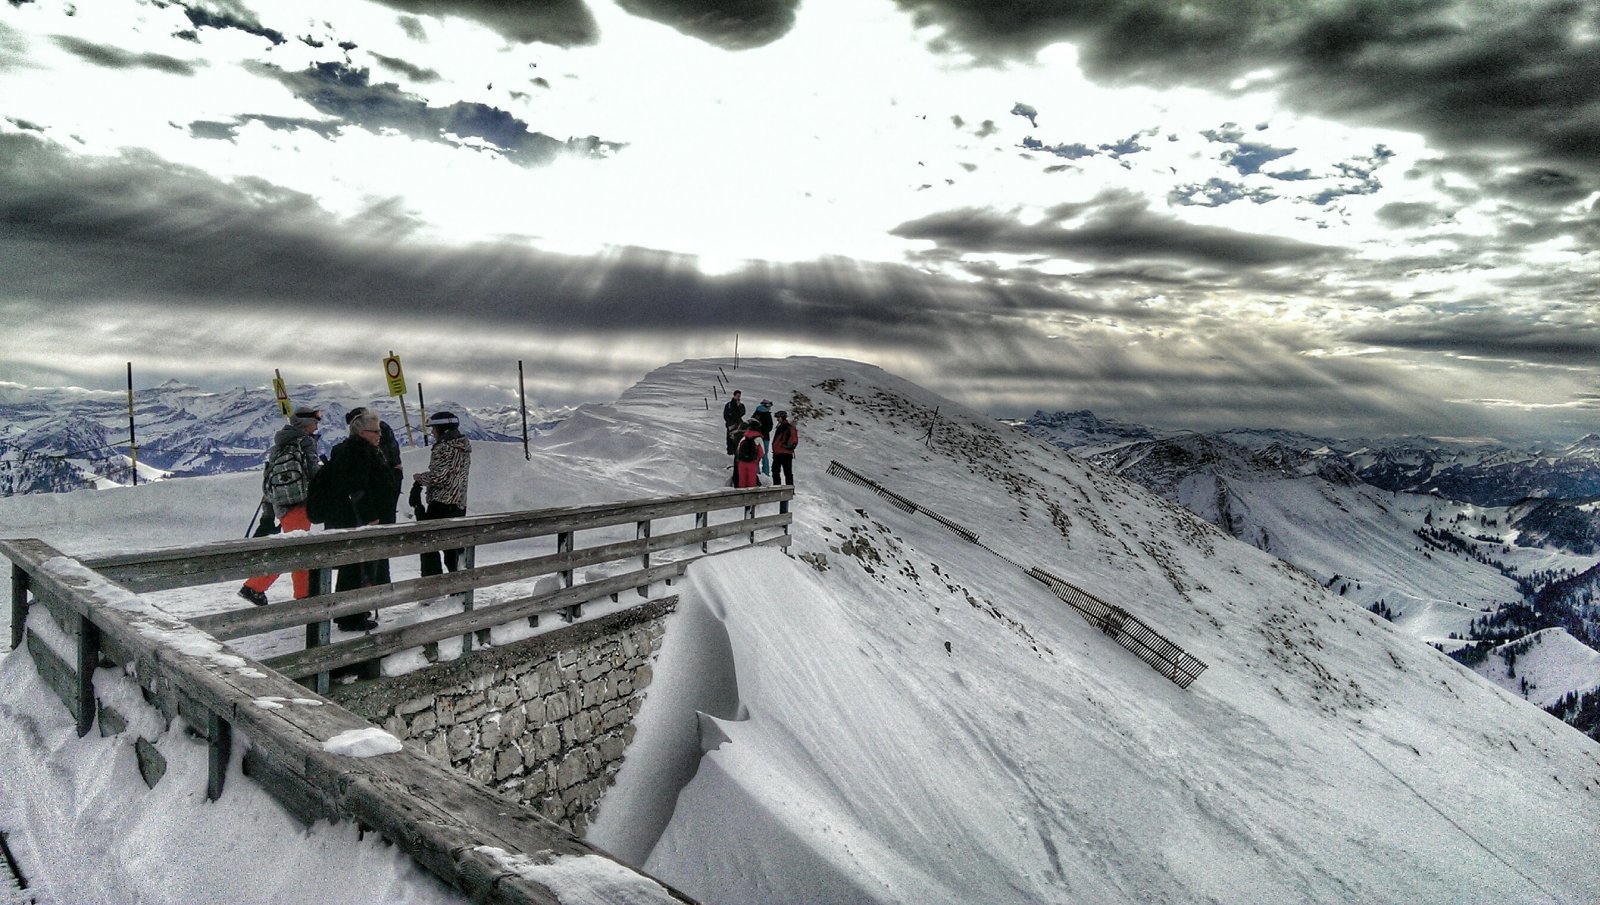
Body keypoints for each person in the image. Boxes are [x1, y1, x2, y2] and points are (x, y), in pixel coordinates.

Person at [238, 408, 322, 606]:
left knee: (294, 549)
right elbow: (313, 471)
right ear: (305, 423)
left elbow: (269, 475)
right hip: (300, 501)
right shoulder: (305, 441)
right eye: (315, 421)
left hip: (281, 504)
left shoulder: (280, 443)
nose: (317, 425)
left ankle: (256, 588)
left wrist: (269, 510)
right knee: (298, 552)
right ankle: (298, 595)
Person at [321, 409, 394, 631]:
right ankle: (352, 615)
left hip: (351, 518)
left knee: (356, 567)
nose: (378, 435)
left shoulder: (352, 449)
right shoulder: (359, 451)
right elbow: (358, 488)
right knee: (358, 567)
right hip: (359, 520)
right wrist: (370, 516)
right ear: (362, 432)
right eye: (375, 431)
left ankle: (354, 612)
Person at [413, 410, 472, 576]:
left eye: (434, 429)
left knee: (429, 546)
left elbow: (441, 477)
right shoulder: (463, 446)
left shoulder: (444, 447)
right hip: (458, 503)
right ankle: (459, 588)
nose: (432, 432)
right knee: (453, 550)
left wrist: (420, 478)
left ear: (442, 429)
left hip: (441, 504)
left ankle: (434, 586)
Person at [733, 420, 764, 488]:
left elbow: (738, 450)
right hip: (752, 462)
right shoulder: (758, 438)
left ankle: (741, 495)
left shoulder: (744, 437)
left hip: (742, 462)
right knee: (751, 481)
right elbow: (762, 452)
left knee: (742, 480)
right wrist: (756, 459)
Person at [771, 409, 798, 486]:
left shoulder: (782, 427)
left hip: (779, 453)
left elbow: (777, 441)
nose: (777, 419)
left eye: (778, 417)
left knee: (775, 471)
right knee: (788, 472)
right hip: (788, 453)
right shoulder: (790, 427)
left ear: (782, 417)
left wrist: (775, 450)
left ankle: (777, 487)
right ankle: (790, 489)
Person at [752, 399, 774, 476]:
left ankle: (756, 472)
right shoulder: (767, 415)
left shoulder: (756, 413)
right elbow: (770, 427)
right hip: (765, 438)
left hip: (755, 437)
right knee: (765, 456)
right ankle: (766, 473)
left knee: (756, 455)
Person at [722, 389, 745, 455]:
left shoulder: (741, 405)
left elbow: (742, 413)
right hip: (731, 425)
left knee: (737, 439)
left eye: (739, 396)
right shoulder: (729, 405)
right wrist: (729, 423)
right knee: (730, 439)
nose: (738, 397)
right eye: (737, 396)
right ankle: (730, 452)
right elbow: (726, 415)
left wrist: (739, 406)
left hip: (738, 424)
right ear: (734, 396)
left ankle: (736, 452)